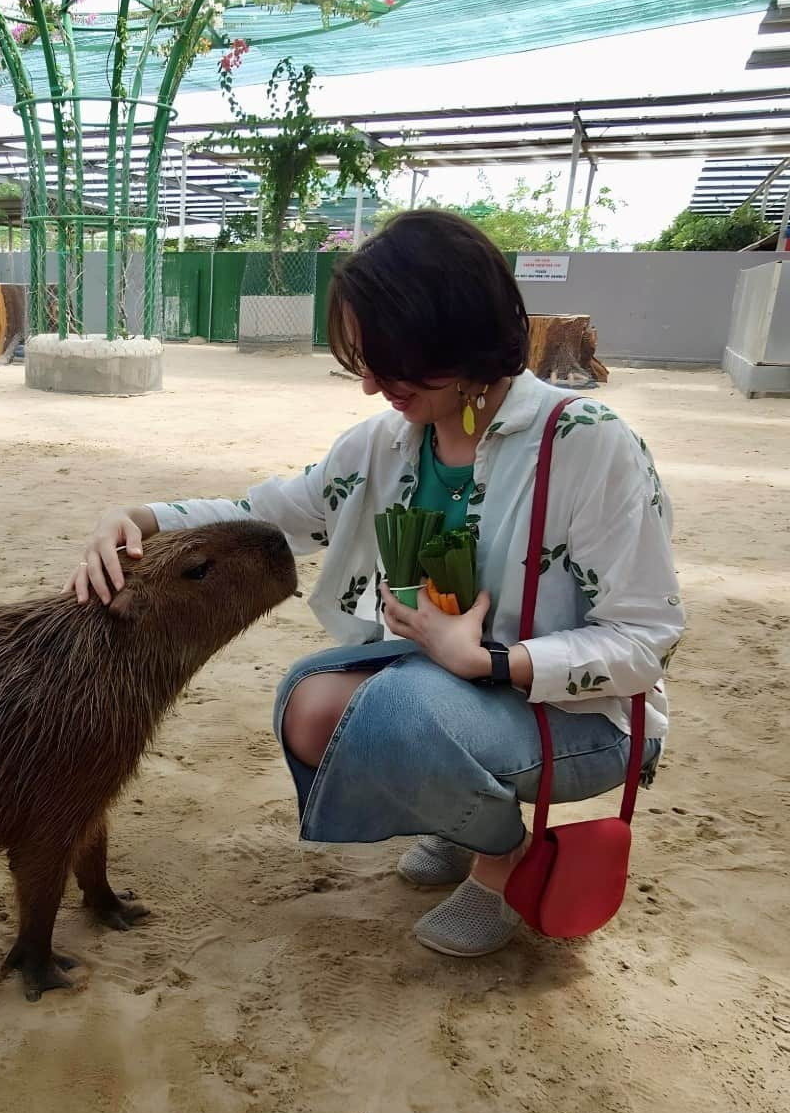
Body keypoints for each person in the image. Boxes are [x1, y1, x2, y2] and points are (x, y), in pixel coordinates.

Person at [67, 210, 684, 958]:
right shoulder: (389, 441)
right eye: (359, 358)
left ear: (457, 336)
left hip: (578, 718)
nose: (367, 384)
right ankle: (464, 822)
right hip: (440, 685)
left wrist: (489, 661)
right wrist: (137, 516)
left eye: (388, 361)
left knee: (396, 712)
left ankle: (499, 859)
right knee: (309, 705)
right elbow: (264, 512)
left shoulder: (589, 444)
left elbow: (645, 639)